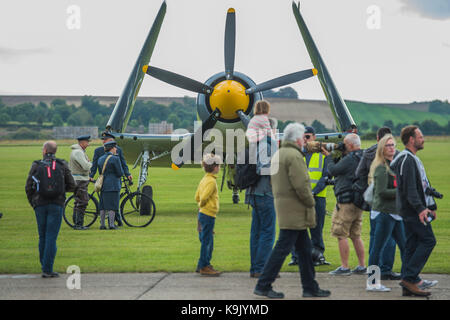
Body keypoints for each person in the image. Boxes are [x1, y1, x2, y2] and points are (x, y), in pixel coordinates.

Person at [254, 123, 330, 298]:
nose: (305, 141)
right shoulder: (295, 156)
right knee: (282, 249)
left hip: (285, 207)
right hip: (296, 210)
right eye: (303, 137)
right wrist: (310, 202)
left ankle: (310, 287)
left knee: (304, 251)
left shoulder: (280, 153)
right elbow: (302, 185)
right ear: (297, 138)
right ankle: (263, 284)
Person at [391, 126, 438, 297]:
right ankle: (410, 278)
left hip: (412, 209)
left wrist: (431, 207)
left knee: (411, 245)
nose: (423, 139)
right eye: (420, 136)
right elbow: (410, 189)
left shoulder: (410, 158)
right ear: (411, 139)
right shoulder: (407, 159)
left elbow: (423, 186)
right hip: (412, 211)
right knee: (428, 241)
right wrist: (420, 209)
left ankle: (407, 286)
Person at [25, 141, 77, 278]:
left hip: (40, 205)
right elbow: (72, 185)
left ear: (44, 150)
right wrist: (60, 192)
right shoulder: (62, 165)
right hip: (56, 204)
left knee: (42, 236)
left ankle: (45, 266)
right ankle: (48, 268)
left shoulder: (36, 165)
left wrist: (33, 202)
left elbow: (28, 186)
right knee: (51, 237)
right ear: (55, 151)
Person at [355, 127, 399, 280]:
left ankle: (374, 274)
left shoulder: (367, 153)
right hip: (388, 206)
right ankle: (383, 272)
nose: (392, 148)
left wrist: (366, 190)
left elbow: (359, 174)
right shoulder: (392, 159)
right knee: (389, 241)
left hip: (375, 204)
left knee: (376, 239)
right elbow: (384, 190)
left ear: (377, 137)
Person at [366, 134, 406, 292]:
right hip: (383, 213)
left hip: (395, 213)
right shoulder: (381, 168)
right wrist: (401, 191)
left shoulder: (393, 165)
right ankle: (372, 282)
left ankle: (410, 278)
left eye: (393, 145)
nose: (392, 148)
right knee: (377, 248)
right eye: (388, 145)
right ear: (382, 149)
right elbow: (382, 192)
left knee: (405, 246)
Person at [325, 133, 366, 276]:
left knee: (340, 233)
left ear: (349, 145)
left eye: (344, 143)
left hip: (346, 202)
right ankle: (362, 266)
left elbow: (333, 170)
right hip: (359, 201)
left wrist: (328, 156)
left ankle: (344, 267)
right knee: (356, 235)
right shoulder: (364, 156)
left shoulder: (350, 159)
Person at [289, 126, 330, 267]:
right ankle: (296, 257)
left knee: (316, 229)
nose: (305, 140)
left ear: (314, 137)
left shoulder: (323, 154)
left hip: (318, 197)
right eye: (303, 137)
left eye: (308, 136)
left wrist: (313, 192)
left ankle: (318, 255)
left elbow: (325, 176)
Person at [245, 116, 278, 278]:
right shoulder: (269, 143)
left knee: (256, 232)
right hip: (266, 193)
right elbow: (263, 169)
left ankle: (255, 267)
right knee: (268, 232)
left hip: (253, 193)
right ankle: (262, 268)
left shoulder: (254, 143)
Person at [90, 131, 132, 227]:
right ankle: (112, 224)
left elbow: (123, 163)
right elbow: (94, 165)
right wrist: (91, 175)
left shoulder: (107, 154)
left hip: (104, 182)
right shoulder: (101, 151)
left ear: (110, 140)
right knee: (113, 203)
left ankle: (107, 223)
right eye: (103, 140)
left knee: (104, 204)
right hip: (113, 182)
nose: (103, 142)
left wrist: (128, 173)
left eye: (105, 140)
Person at [195, 153, 222, 276]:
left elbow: (197, 196)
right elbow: (204, 197)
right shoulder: (211, 182)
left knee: (206, 239)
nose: (220, 168)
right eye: (219, 165)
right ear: (215, 167)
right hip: (208, 214)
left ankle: (202, 263)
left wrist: (200, 205)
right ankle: (204, 266)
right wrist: (203, 204)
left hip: (202, 214)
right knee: (207, 241)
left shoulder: (204, 179)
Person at [97, 141, 124, 230]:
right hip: (113, 184)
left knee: (103, 205)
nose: (116, 149)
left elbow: (100, 171)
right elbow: (120, 173)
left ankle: (102, 224)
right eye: (115, 147)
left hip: (104, 184)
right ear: (112, 148)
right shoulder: (115, 158)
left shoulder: (100, 158)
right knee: (113, 205)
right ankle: (111, 225)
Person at [69, 135, 92, 230]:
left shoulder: (77, 151)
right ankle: (79, 224)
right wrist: (91, 163)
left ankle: (76, 222)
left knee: (78, 201)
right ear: (82, 143)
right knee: (83, 201)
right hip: (80, 180)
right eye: (87, 142)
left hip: (78, 179)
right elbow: (86, 166)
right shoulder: (78, 152)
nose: (88, 144)